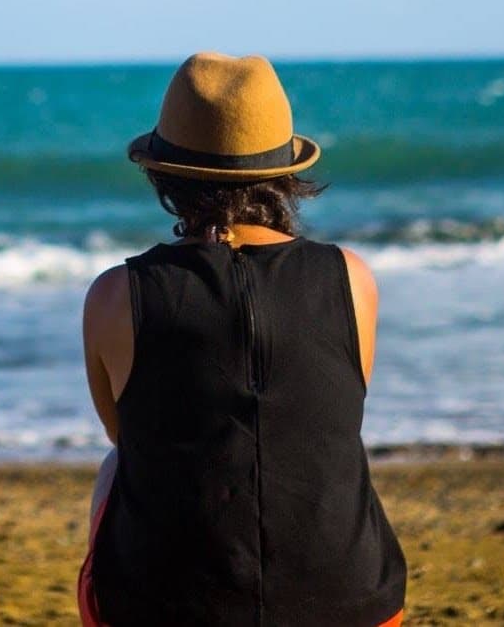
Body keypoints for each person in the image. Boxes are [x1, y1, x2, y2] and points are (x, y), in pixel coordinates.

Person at [78, 52, 408, 627]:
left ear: (165, 174)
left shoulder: (115, 295)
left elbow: (126, 435)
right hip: (351, 603)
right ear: (286, 173)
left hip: (167, 609)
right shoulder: (352, 279)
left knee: (115, 466)